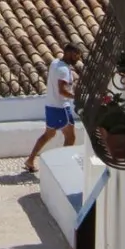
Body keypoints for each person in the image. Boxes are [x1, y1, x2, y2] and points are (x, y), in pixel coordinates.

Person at [24, 42, 83, 172]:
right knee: (71, 137)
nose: (78, 59)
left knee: (48, 134)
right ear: (69, 53)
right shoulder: (63, 70)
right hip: (61, 107)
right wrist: (75, 97)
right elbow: (62, 91)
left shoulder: (55, 63)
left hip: (50, 105)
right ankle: (64, 165)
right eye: (76, 55)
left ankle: (30, 160)